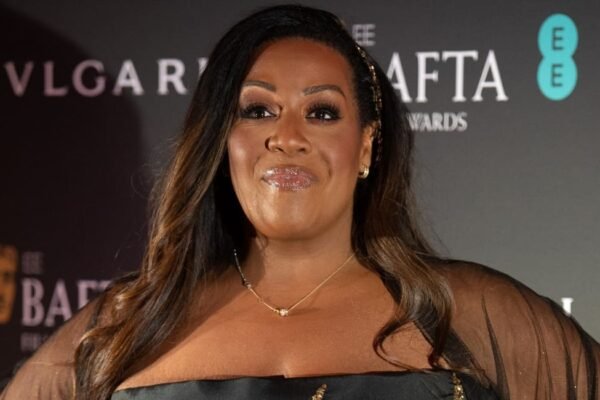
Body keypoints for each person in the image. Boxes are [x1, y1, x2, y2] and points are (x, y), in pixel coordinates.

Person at [1, 5, 598, 400]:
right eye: (258, 109)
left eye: (322, 112)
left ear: (366, 145)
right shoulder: (125, 325)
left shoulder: (473, 317)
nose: (286, 136)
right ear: (221, 142)